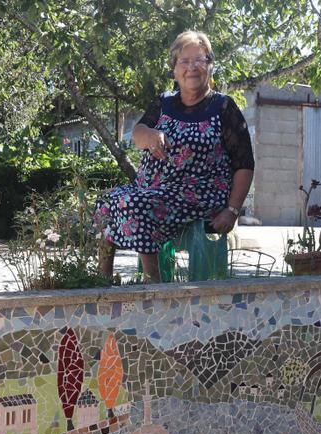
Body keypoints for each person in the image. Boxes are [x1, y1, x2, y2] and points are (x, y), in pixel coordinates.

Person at [96, 30, 255, 282]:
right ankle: (101, 284)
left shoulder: (223, 107)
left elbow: (244, 164)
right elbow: (137, 133)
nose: (192, 67)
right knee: (106, 203)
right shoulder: (163, 102)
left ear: (209, 66)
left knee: (138, 205)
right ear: (174, 69)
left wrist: (232, 211)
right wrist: (149, 134)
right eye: (184, 61)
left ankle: (155, 288)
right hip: (152, 189)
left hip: (197, 195)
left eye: (199, 60)